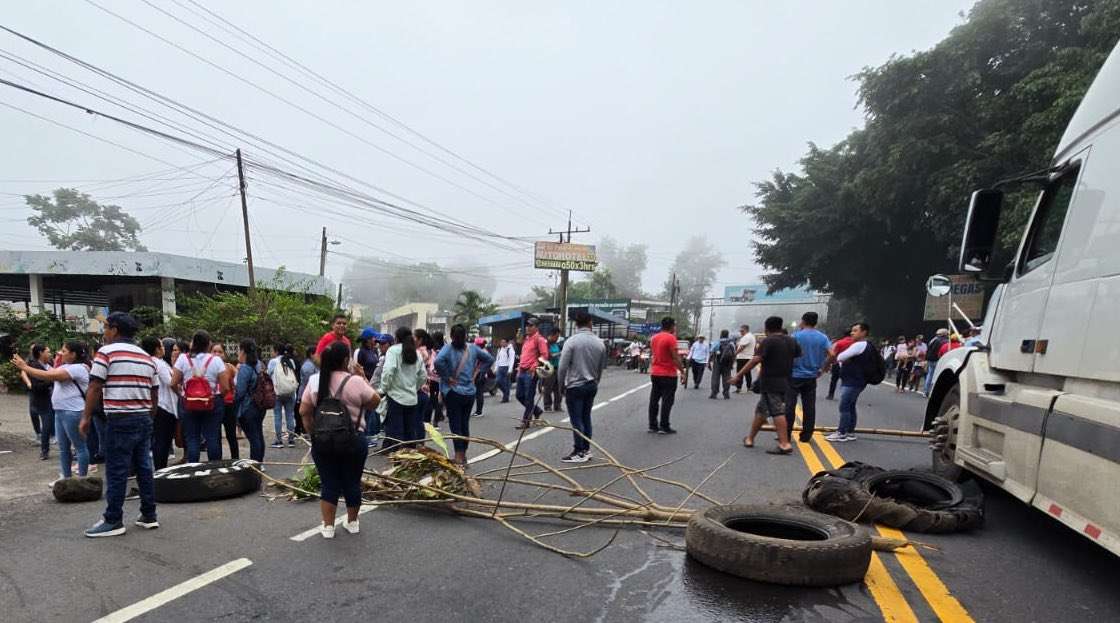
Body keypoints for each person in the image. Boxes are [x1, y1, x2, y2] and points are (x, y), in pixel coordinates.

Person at [81, 312, 159, 537]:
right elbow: (154, 393)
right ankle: (149, 514)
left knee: (116, 470)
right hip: (143, 417)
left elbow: (95, 386)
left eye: (105, 327)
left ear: (114, 329)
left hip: (120, 418)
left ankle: (113, 519)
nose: (104, 332)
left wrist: (86, 417)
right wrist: (149, 417)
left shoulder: (106, 353)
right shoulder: (146, 357)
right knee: (144, 467)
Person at [299, 341, 380, 539]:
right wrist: (362, 377)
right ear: (346, 360)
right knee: (352, 482)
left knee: (329, 483)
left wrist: (313, 434)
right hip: (353, 441)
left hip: (323, 441)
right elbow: (375, 402)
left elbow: (304, 411)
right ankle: (352, 522)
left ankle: (328, 527)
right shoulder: (356, 381)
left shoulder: (315, 381)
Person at [13, 341, 90, 483]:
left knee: (80, 447)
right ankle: (66, 478)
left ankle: (82, 480)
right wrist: (58, 361)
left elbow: (48, 376)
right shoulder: (66, 366)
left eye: (64, 351)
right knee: (63, 448)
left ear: (73, 354)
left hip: (72, 412)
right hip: (61, 411)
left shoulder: (78, 368)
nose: (60, 353)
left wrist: (25, 367)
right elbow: (51, 372)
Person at [731, 316, 800, 454]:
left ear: (766, 327)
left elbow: (755, 360)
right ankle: (750, 438)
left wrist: (738, 375)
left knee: (777, 411)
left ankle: (784, 444)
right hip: (786, 381)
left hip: (771, 382)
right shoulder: (792, 341)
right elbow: (797, 357)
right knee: (761, 411)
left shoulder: (768, 341)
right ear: (780, 326)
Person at [434, 324, 494, 466]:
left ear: (452, 336)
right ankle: (463, 455)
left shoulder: (448, 348)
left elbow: (437, 362)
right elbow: (489, 359)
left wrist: (447, 377)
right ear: (465, 335)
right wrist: (478, 372)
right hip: (470, 392)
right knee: (464, 424)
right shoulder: (472, 348)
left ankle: (459, 457)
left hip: (454, 392)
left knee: (456, 425)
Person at [173, 330, 231, 463]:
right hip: (212, 402)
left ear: (193, 343)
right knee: (212, 437)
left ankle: (194, 470)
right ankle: (214, 468)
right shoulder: (216, 360)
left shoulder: (183, 359)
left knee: (192, 438)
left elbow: (173, 383)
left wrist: (181, 395)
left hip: (188, 403)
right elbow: (226, 387)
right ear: (208, 344)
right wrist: (217, 397)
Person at [557, 311, 606, 463]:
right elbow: (600, 368)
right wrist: (596, 381)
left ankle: (579, 451)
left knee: (576, 419)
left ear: (576, 324)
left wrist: (561, 386)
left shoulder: (571, 342)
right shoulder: (600, 343)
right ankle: (586, 449)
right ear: (590, 323)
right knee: (586, 417)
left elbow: (562, 367)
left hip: (575, 386)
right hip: (591, 385)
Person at [785, 312, 834, 442]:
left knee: (789, 405)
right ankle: (806, 435)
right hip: (811, 376)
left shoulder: (795, 336)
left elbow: (787, 354)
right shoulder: (823, 338)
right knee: (809, 406)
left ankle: (786, 434)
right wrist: (823, 369)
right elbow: (832, 354)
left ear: (803, 321)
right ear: (815, 322)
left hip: (794, 375)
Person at [379, 326, 428, 450]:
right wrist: (414, 387)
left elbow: (388, 371)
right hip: (412, 398)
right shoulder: (417, 353)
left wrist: (384, 389)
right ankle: (410, 462)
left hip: (395, 398)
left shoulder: (393, 351)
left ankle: (398, 462)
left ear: (396, 338)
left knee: (396, 435)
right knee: (410, 433)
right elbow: (423, 375)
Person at [827, 322, 874, 442]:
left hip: (852, 381)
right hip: (858, 380)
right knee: (851, 406)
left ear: (864, 332)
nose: (852, 333)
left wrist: (844, 357)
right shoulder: (867, 345)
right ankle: (850, 432)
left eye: (856, 330)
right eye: (852, 330)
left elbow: (840, 357)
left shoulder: (858, 345)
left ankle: (841, 432)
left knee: (844, 406)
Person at [143, 337, 178, 470]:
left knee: (161, 440)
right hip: (164, 406)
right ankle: (160, 469)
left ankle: (160, 468)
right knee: (163, 441)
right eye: (162, 346)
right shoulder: (157, 363)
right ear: (157, 349)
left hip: (161, 405)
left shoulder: (152, 362)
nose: (164, 348)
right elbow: (170, 382)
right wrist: (181, 394)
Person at [234, 339, 267, 462]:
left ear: (243, 351)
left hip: (248, 407)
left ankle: (255, 464)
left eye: (238, 350)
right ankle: (260, 461)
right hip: (260, 405)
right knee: (258, 434)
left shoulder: (245, 368)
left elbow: (240, 392)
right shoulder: (259, 365)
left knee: (253, 437)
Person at [647, 317, 682, 434]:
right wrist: (683, 371)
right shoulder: (671, 338)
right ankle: (664, 426)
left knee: (654, 399)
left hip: (655, 372)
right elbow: (675, 357)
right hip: (668, 374)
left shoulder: (654, 338)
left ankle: (652, 425)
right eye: (674, 325)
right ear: (672, 326)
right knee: (667, 400)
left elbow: (654, 354)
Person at [22, 344, 55, 460]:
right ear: (41, 353)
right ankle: (44, 450)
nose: (50, 354)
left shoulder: (50, 364)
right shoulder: (33, 366)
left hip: (54, 399)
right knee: (46, 425)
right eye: (48, 351)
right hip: (42, 400)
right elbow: (35, 387)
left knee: (50, 423)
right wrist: (51, 379)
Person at [515, 318, 549, 429]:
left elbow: (544, 355)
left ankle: (526, 421)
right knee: (519, 395)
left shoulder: (539, 339)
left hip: (531, 372)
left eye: (530, 325)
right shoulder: (527, 339)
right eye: (527, 325)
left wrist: (534, 366)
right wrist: (520, 368)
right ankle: (536, 410)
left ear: (536, 327)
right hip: (522, 371)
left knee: (529, 397)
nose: (527, 327)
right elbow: (524, 355)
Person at [268, 344, 300, 448]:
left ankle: (279, 441)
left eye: (272, 350)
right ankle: (291, 440)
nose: (271, 353)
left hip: (277, 392)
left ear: (276, 351)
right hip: (290, 391)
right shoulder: (290, 361)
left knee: (278, 416)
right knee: (290, 415)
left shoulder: (273, 362)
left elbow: (269, 374)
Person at [212, 344, 240, 460]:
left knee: (231, 435)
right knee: (215, 435)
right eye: (214, 351)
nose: (217, 354)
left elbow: (238, 383)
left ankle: (235, 459)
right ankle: (217, 462)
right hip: (213, 404)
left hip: (229, 404)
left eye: (220, 352)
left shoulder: (230, 367)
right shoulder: (208, 367)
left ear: (225, 354)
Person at [295, 346, 318, 437]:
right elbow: (309, 383)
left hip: (308, 393)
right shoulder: (308, 366)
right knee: (308, 414)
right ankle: (308, 433)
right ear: (312, 354)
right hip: (307, 394)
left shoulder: (311, 365)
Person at [826, 332, 854, 400]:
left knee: (834, 380)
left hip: (837, 364)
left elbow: (834, 354)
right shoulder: (855, 344)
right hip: (850, 365)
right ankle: (846, 396)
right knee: (847, 381)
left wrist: (829, 364)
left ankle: (831, 395)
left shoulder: (839, 342)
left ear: (843, 335)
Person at [540, 328, 563, 411]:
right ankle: (547, 405)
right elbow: (548, 356)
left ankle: (557, 405)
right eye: (556, 336)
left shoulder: (555, 344)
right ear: (552, 335)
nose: (557, 338)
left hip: (557, 368)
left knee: (558, 388)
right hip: (549, 368)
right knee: (548, 388)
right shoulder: (546, 344)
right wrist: (559, 353)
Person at [708, 329, 735, 400]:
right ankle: (726, 394)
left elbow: (711, 352)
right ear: (727, 335)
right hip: (727, 363)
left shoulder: (717, 342)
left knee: (715, 378)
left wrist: (709, 362)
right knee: (727, 377)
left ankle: (714, 393)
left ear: (721, 334)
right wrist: (732, 364)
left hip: (717, 362)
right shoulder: (731, 343)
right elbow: (733, 354)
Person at [924, 329, 950, 396]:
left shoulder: (933, 339)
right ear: (944, 334)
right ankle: (933, 391)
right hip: (936, 359)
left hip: (930, 359)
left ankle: (926, 391)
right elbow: (939, 351)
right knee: (936, 376)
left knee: (930, 375)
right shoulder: (943, 341)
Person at [493, 337, 515, 403]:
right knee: (497, 381)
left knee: (507, 383)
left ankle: (505, 398)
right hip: (500, 367)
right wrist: (495, 368)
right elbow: (497, 359)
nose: (502, 343)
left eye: (503, 342)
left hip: (507, 368)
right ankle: (506, 393)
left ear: (507, 343)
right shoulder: (499, 349)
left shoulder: (510, 349)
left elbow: (512, 360)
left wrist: (510, 369)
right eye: (501, 342)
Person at [734, 325, 756, 393]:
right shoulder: (751, 336)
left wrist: (734, 354)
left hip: (743, 357)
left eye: (742, 331)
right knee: (747, 373)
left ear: (746, 330)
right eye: (740, 331)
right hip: (748, 357)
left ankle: (739, 388)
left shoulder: (747, 337)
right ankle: (749, 388)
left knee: (740, 373)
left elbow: (742, 347)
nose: (741, 332)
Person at [472, 337, 490, 417]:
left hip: (479, 375)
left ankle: (479, 412)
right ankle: (478, 411)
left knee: (479, 393)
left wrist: (473, 377)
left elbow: (478, 367)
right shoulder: (485, 351)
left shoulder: (481, 353)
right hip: (482, 374)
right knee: (479, 393)